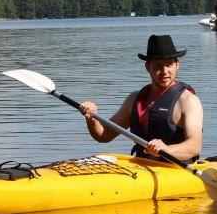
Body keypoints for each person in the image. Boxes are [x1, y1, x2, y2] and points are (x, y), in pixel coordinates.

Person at [79, 35, 203, 163]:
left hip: (176, 169)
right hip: (142, 167)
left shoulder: (188, 101)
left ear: (177, 65)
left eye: (169, 65)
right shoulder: (134, 99)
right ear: (147, 67)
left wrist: (166, 150)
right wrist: (92, 118)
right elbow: (104, 135)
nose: (164, 71)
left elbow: (194, 146)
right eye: (158, 66)